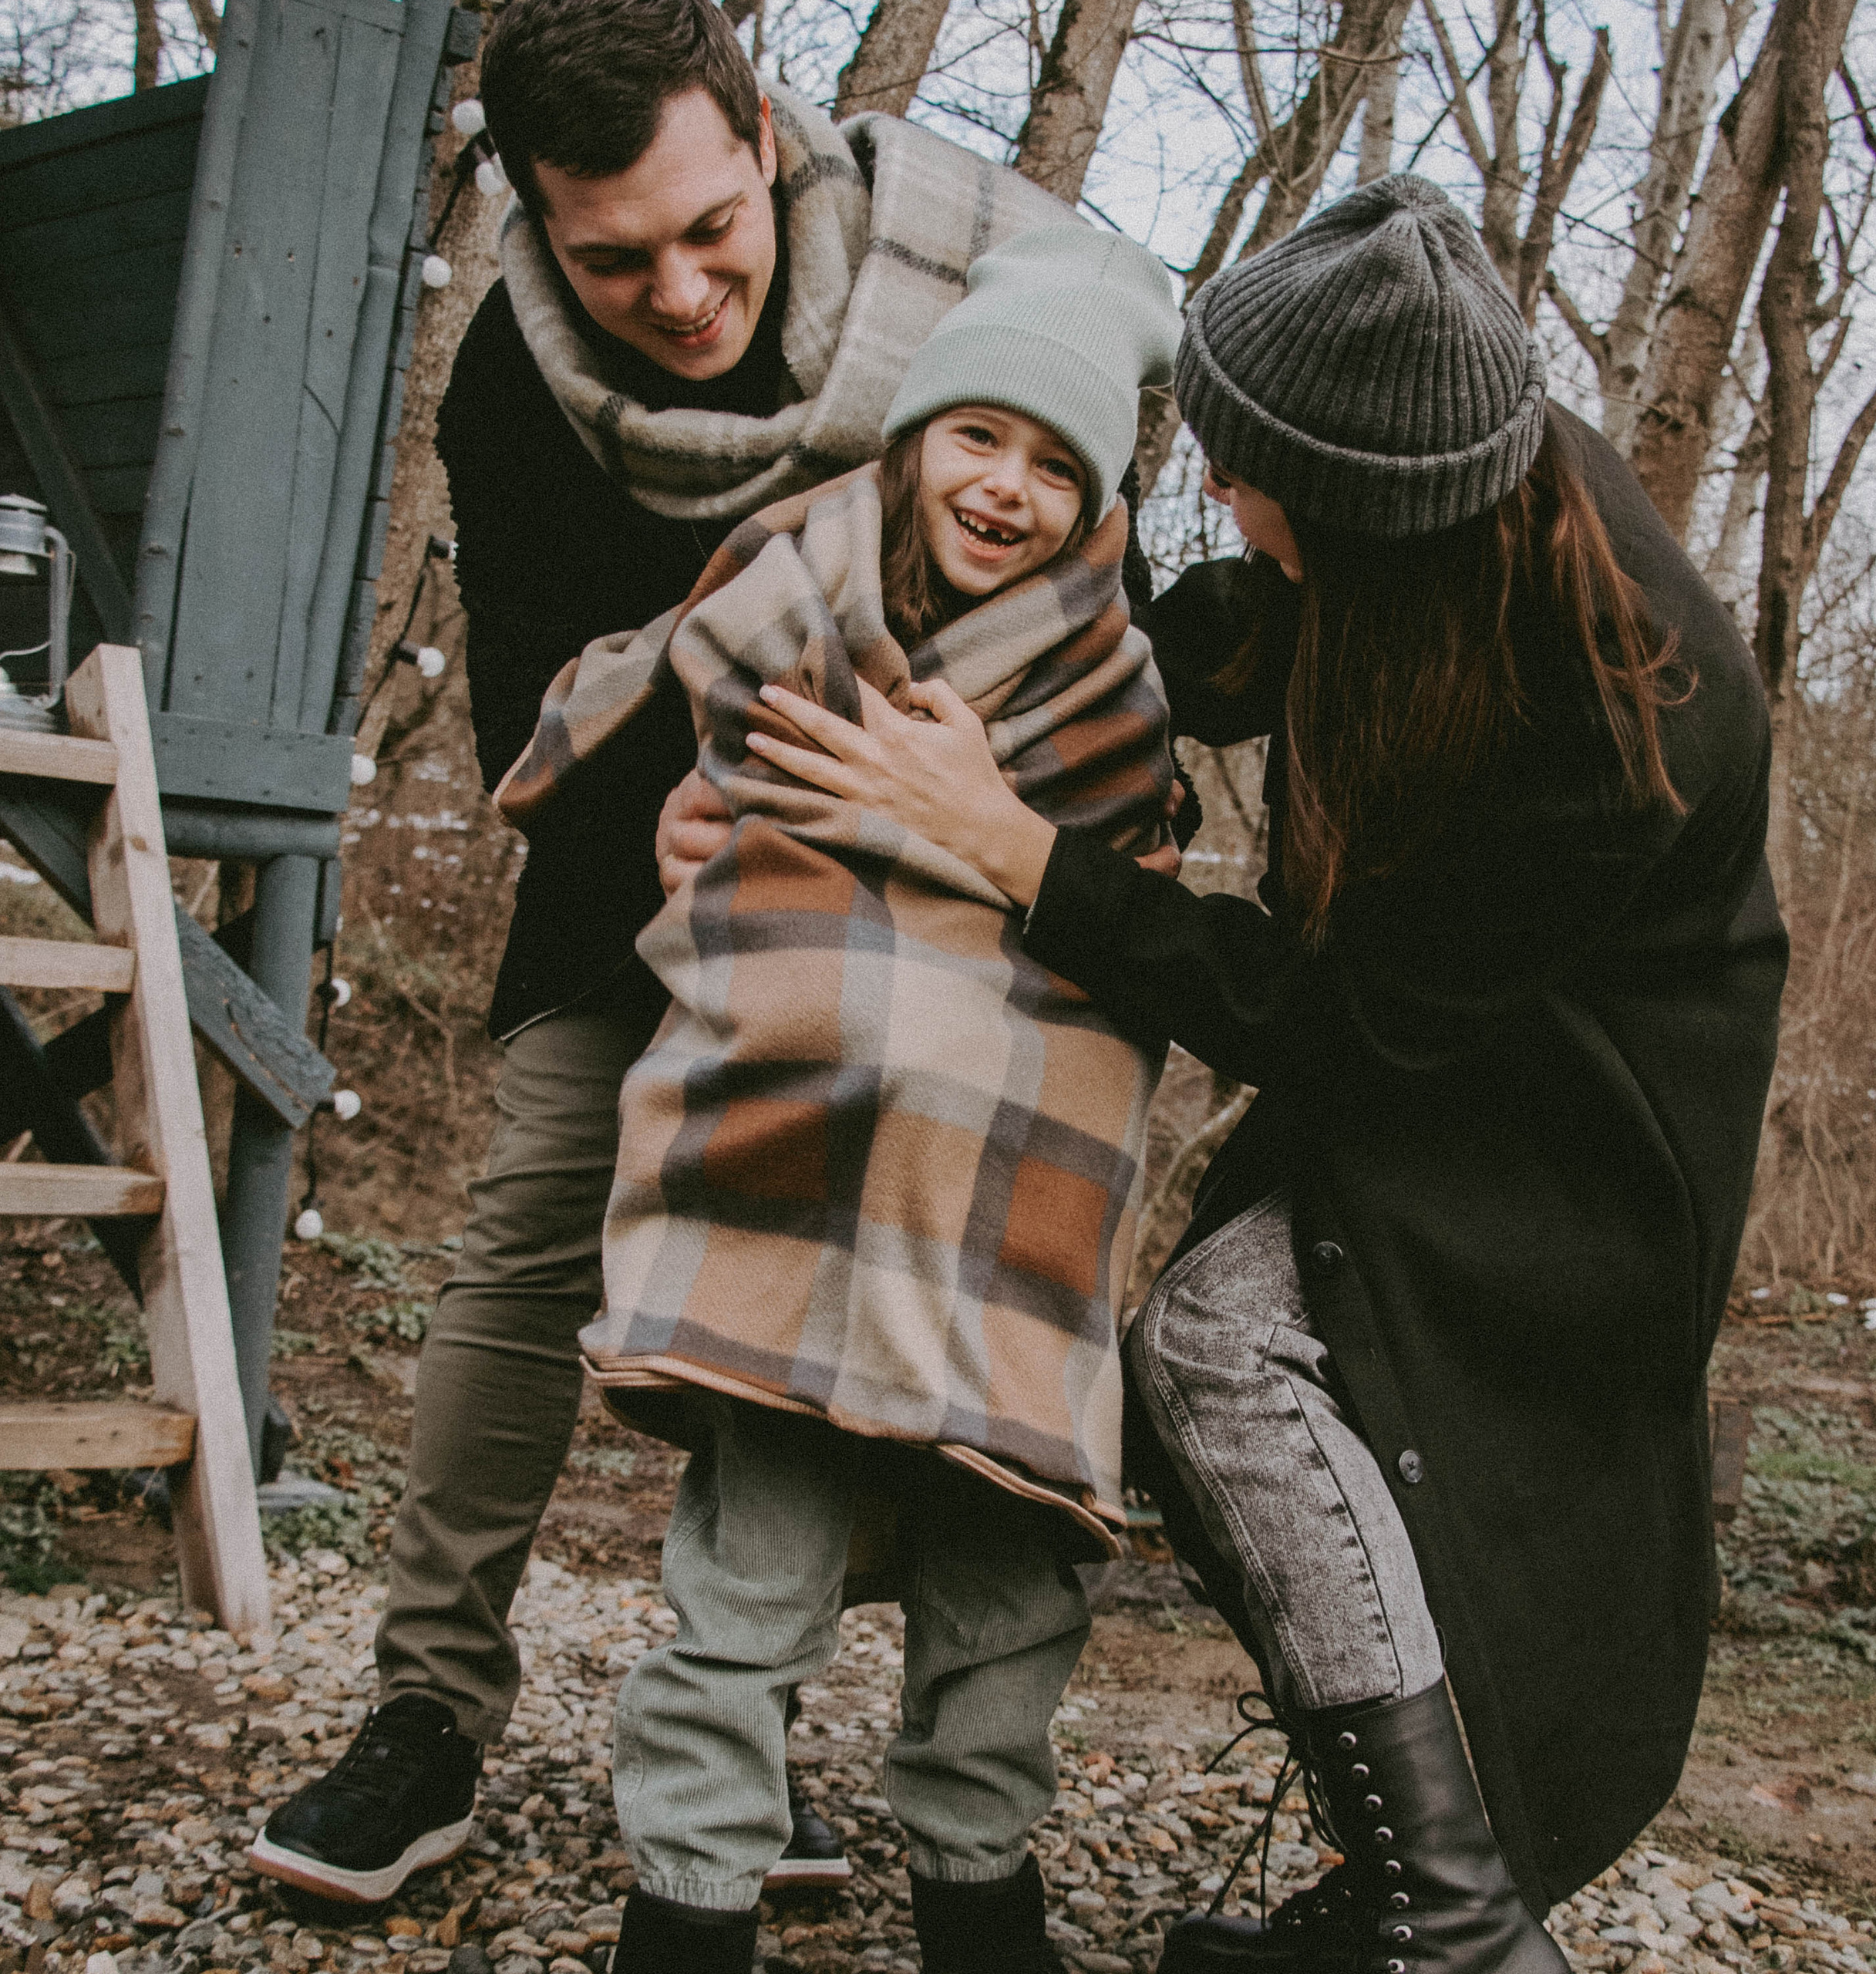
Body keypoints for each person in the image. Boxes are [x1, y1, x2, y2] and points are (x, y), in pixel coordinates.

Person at [689, 176, 1790, 1974]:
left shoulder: (1611, 697)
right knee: (1209, 1363)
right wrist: (1018, 608)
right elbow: (1228, 627)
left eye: (1242, 469)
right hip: (1439, 1043)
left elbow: (1327, 1017)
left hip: (1577, 1127)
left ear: (1360, 510)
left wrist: (1014, 845)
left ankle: (1449, 1918)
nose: (1207, 483)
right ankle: (1409, 1888)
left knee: (1222, 1350)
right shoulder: (1419, 483)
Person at [249, 0, 1103, 1907]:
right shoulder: (512, 374)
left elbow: (1062, 559)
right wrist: (685, 811)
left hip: (914, 889)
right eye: (611, 259)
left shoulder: (949, 294)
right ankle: (426, 1710)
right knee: (527, 1237)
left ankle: (744, 1730)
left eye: (709, 231)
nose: (681, 294)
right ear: (537, 223)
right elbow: (525, 714)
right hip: (634, 857)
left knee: (813, 1300)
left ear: (763, 137)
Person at [489, 225, 1181, 1974]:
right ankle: (688, 1908)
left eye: (1054, 465)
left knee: (1011, 1576)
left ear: (1098, 501)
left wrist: (966, 835)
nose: (1006, 488)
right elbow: (691, 780)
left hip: (1009, 1187)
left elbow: (1126, 911)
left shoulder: (1115, 676)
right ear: (914, 438)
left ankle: (979, 1893)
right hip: (791, 1149)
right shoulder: (787, 590)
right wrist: (717, 840)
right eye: (979, 438)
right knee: (751, 1567)